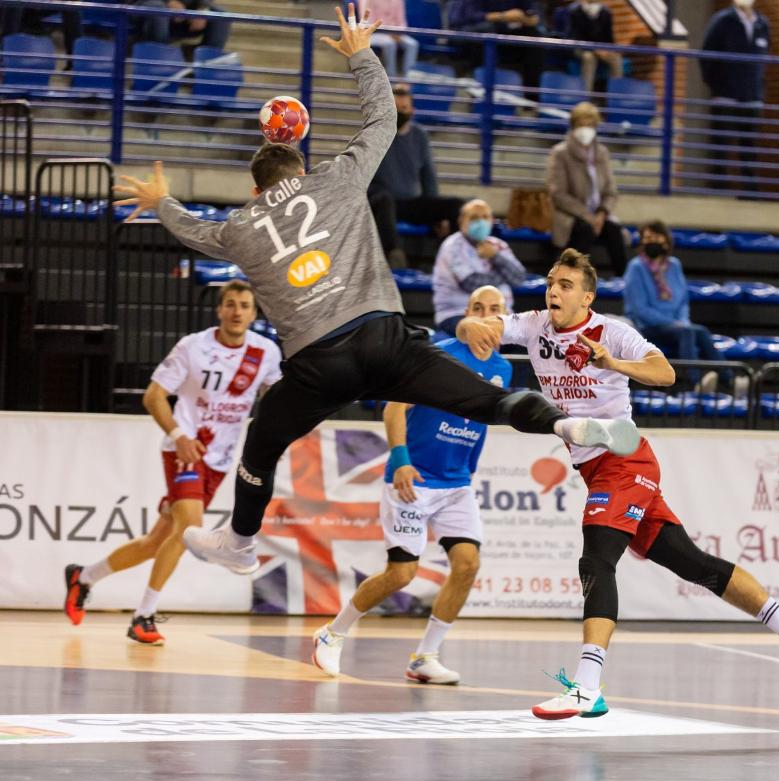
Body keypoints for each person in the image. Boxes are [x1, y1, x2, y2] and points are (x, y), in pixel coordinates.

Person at [113, 6, 640, 577]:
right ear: (301, 163)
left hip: (318, 363)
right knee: (485, 401)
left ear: (254, 187)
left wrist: (161, 201)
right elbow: (385, 119)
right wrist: (360, 54)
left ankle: (240, 541)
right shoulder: (335, 177)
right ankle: (563, 423)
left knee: (263, 442)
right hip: (385, 338)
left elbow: (198, 234)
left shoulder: (240, 227)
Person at [458, 249, 779, 719]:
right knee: (693, 564)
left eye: (565, 285)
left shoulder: (611, 332)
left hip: (624, 458)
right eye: (551, 281)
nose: (553, 289)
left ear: (587, 297)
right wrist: (474, 327)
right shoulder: (534, 325)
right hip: (596, 466)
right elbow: (479, 330)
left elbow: (666, 373)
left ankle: (587, 686)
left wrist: (613, 364)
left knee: (597, 556)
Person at [62, 281, 282, 644]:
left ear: (254, 313)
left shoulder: (265, 352)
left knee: (154, 543)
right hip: (185, 450)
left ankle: (83, 576)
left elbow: (275, 399)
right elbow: (154, 397)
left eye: (244, 305)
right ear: (219, 310)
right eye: (230, 304)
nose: (237, 311)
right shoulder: (193, 347)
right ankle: (143, 616)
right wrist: (180, 436)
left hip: (221, 459)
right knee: (189, 530)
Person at [312, 286, 512, 683]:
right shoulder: (438, 352)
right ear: (466, 314)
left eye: (495, 310)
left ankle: (425, 657)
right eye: (477, 308)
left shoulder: (504, 369)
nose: (485, 315)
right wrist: (400, 458)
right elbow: (395, 406)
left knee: (468, 565)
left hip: (455, 483)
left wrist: (469, 468)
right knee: (402, 574)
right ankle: (331, 633)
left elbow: (480, 421)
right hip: (413, 478)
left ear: (504, 319)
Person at [622, 220, 730, 392]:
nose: (652, 242)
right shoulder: (636, 267)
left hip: (677, 327)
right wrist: (673, 324)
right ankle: (695, 383)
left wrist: (682, 321)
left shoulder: (674, 265)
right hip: (649, 327)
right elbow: (639, 310)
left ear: (666, 240)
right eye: (647, 237)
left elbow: (682, 300)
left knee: (700, 331)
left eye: (656, 237)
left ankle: (730, 381)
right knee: (686, 332)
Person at [369, 84, 464, 269]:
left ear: (412, 110)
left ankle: (454, 259)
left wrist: (438, 214)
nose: (399, 112)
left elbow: (428, 176)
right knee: (384, 198)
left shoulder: (420, 136)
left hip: (410, 202)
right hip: (380, 202)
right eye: (395, 108)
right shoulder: (373, 133)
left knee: (456, 206)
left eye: (403, 108)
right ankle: (395, 255)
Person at [546, 102, 627, 276]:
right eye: (582, 125)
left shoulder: (602, 153)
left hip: (598, 215)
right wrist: (588, 217)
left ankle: (624, 281)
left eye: (590, 125)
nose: (586, 129)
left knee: (614, 229)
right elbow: (558, 194)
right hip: (571, 216)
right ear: (573, 126)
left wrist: (601, 213)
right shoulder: (560, 153)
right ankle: (574, 278)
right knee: (585, 230)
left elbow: (611, 191)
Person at [698, 0, 770, 191]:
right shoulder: (721, 21)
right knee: (721, 145)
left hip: (752, 98)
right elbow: (706, 56)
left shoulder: (763, 24)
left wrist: (758, 89)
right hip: (725, 96)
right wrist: (718, 85)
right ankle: (718, 188)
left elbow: (763, 60)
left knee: (749, 146)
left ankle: (749, 190)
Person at [432, 199, 527, 336]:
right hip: (457, 314)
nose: (480, 222)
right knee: (481, 335)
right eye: (474, 217)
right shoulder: (452, 246)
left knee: (525, 341)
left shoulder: (498, 246)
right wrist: (504, 276)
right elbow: (472, 284)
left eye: (485, 217)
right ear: (461, 221)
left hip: (501, 314)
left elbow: (519, 278)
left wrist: (495, 256)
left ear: (491, 220)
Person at [448, 0, 544, 91]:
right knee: (485, 32)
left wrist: (527, 19)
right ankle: (482, 92)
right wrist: (503, 16)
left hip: (504, 35)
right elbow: (469, 17)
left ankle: (532, 99)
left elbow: (534, 17)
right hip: (468, 33)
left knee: (533, 36)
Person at [567, 1, 622, 91]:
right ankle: (586, 96)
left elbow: (609, 37)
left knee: (616, 58)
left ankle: (616, 95)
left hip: (602, 49)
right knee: (589, 58)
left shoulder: (605, 12)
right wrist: (594, 49)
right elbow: (575, 36)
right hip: (582, 48)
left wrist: (608, 49)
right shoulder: (575, 12)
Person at [134, 0, 232, 50]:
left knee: (220, 15)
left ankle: (207, 67)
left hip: (184, 13)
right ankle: (156, 63)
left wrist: (202, 8)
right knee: (158, 8)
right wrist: (169, 1)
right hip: (144, 7)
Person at [360, 0, 418, 79]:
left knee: (413, 44)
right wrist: (388, 32)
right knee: (390, 43)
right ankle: (391, 78)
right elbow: (369, 23)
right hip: (375, 33)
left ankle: (407, 79)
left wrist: (399, 32)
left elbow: (402, 21)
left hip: (396, 32)